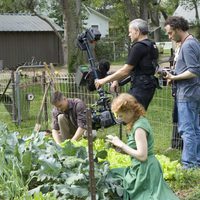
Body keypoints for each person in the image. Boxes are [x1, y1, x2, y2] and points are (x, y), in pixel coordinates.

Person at [105, 93, 179, 200]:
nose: (119, 119)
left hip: (146, 170)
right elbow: (135, 151)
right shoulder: (135, 122)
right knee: (114, 174)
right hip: (139, 167)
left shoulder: (139, 127)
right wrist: (120, 149)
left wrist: (121, 144)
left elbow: (142, 156)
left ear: (130, 111)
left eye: (121, 115)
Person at [95, 18, 159, 110]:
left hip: (141, 87)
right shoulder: (151, 45)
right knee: (133, 115)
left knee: (128, 114)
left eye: (130, 32)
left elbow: (125, 71)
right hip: (148, 85)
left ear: (137, 31)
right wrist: (116, 80)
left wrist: (103, 81)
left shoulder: (138, 47)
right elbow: (135, 69)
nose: (129, 35)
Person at [164, 16, 200, 169]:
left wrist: (174, 77)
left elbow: (194, 70)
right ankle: (196, 162)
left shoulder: (188, 45)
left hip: (187, 93)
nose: (169, 36)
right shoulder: (191, 42)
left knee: (187, 130)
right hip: (192, 92)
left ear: (178, 29)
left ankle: (188, 164)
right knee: (195, 129)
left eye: (170, 33)